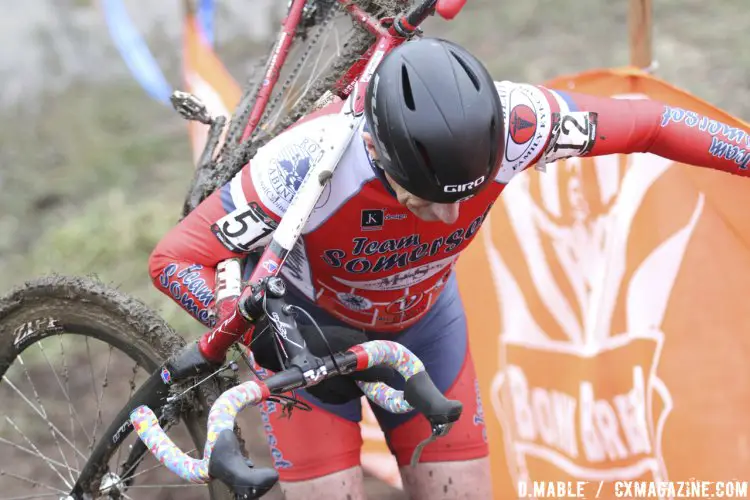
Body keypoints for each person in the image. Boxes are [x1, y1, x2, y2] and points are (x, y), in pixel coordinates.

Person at [149, 37, 750, 499]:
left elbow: (652, 124)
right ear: (379, 155)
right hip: (303, 337)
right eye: (425, 196)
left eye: (468, 191)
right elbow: (173, 260)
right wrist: (265, 332)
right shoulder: (308, 162)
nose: (449, 213)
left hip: (424, 330)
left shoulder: (524, 123)